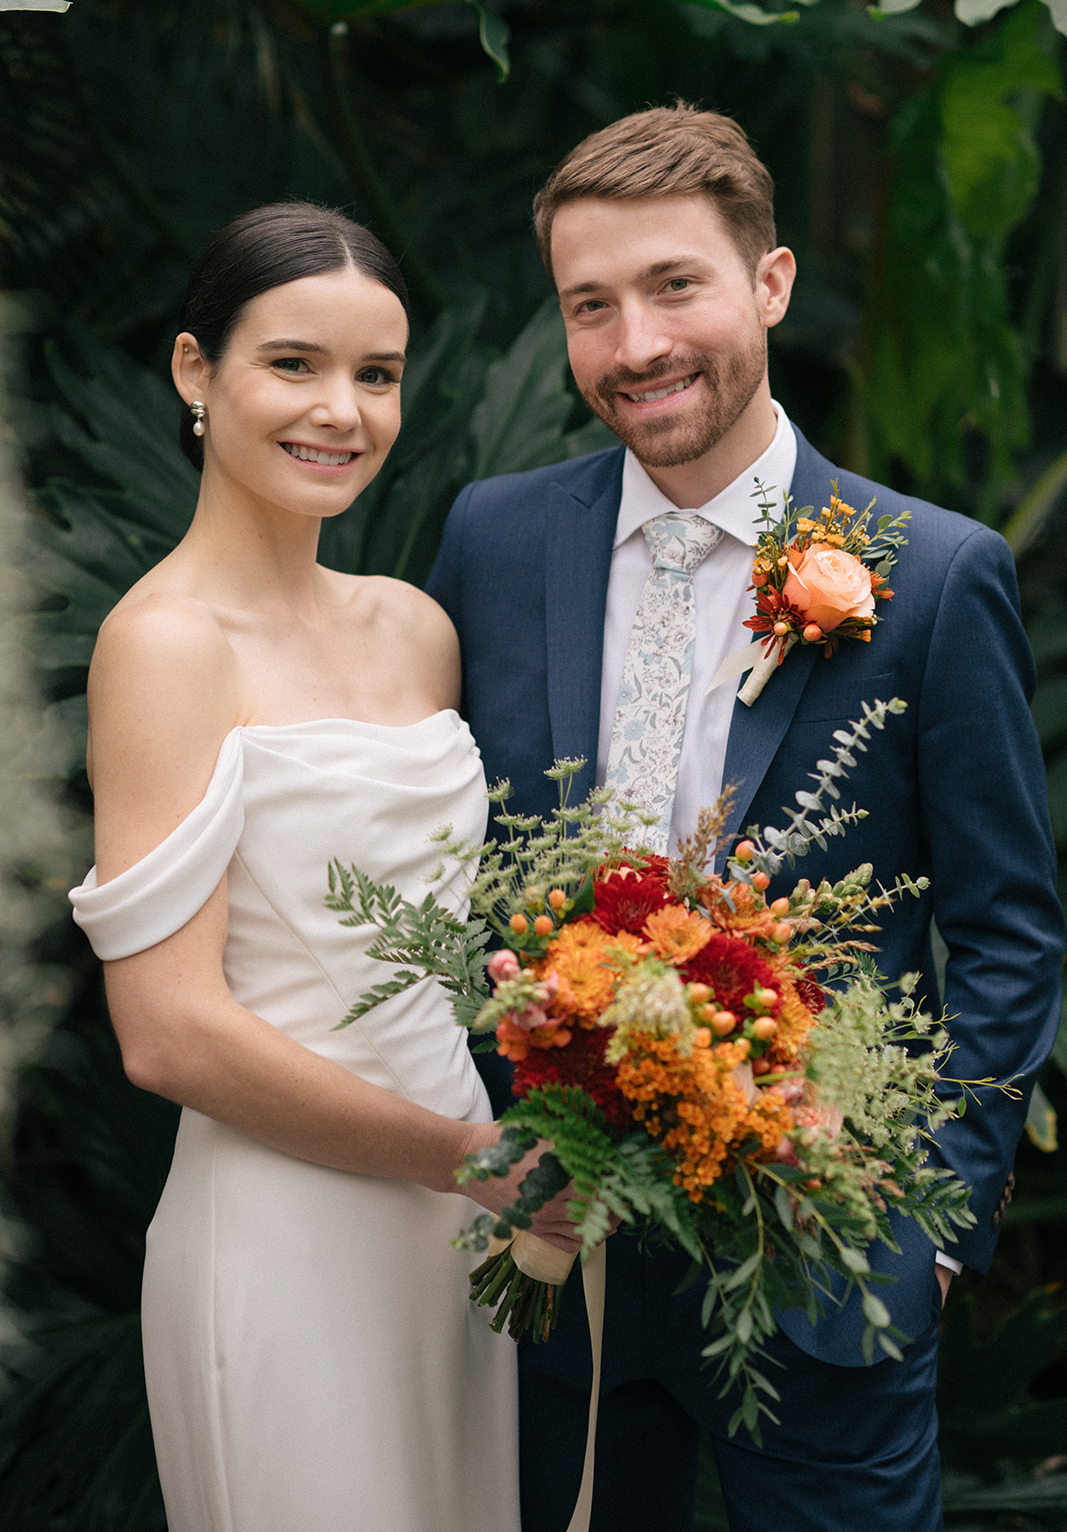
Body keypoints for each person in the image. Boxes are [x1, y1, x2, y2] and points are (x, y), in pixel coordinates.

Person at [427, 106, 1065, 1532]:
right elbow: (450, 862)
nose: (634, 343)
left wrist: (929, 1227)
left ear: (768, 286)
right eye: (590, 306)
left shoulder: (934, 577)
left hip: (825, 1259)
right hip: (555, 1250)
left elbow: (1010, 932)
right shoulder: (493, 537)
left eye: (674, 287)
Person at [68, 201, 578, 1532]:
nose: (340, 411)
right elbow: (169, 1034)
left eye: (376, 374)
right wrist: (462, 1156)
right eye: (293, 364)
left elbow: (448, 924)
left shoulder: (416, 630)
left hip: (461, 1233)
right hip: (289, 1223)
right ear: (197, 371)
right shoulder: (167, 645)